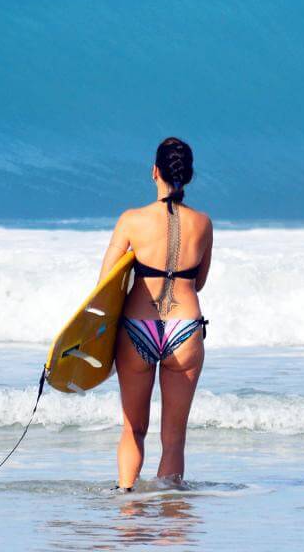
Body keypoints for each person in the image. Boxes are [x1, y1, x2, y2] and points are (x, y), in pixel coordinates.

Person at [96, 137, 213, 491]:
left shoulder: (131, 221)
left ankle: (127, 508)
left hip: (137, 329)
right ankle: (170, 521)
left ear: (155, 171)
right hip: (186, 329)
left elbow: (105, 283)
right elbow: (200, 282)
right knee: (174, 438)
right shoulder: (204, 223)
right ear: (188, 176)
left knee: (133, 429)